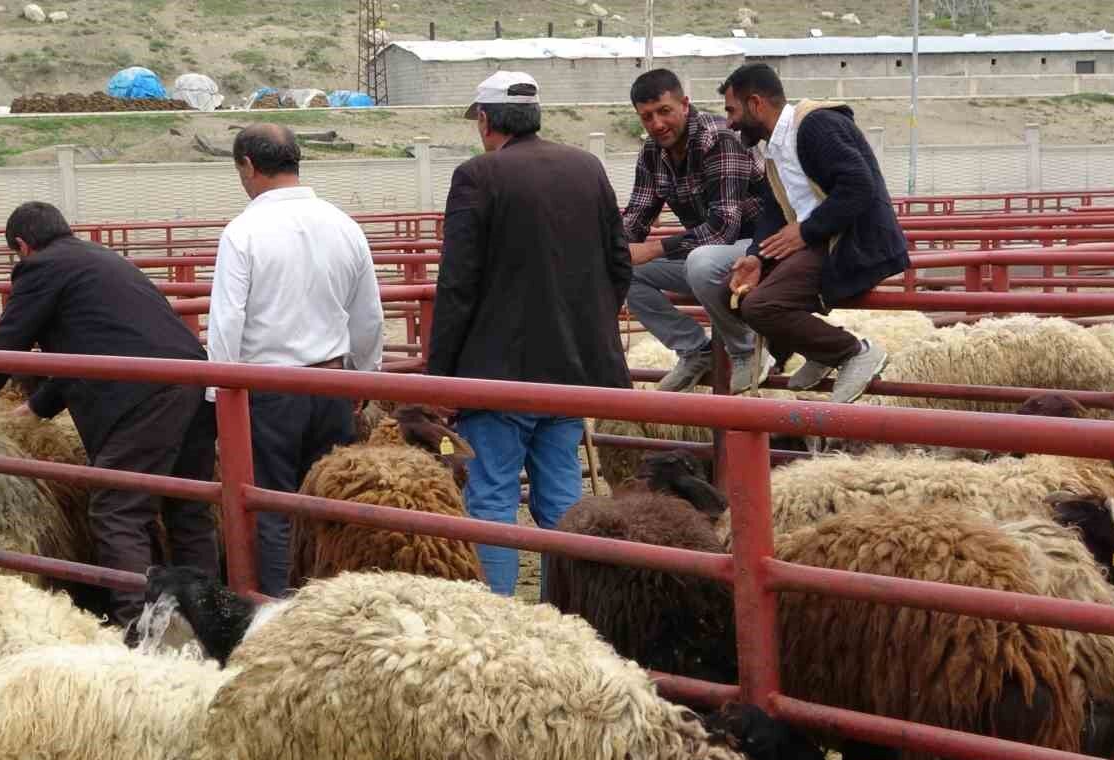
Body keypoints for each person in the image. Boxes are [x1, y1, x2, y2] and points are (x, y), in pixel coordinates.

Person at [0, 201, 218, 629]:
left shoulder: (41, 268)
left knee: (117, 509)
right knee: (187, 509)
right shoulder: (100, 259)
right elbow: (100, 338)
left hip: (144, 395)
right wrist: (40, 405)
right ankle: (209, 620)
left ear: (22, 246)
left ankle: (139, 630)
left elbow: (6, 345)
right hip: (192, 379)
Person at [428, 71, 631, 597]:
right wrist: (589, 332)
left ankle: (496, 621)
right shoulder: (587, 168)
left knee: (492, 499)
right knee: (563, 498)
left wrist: (439, 381)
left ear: (487, 120)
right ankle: (567, 613)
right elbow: (618, 262)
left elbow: (458, 283)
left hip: (497, 377)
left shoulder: (478, 176)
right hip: (568, 374)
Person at [207, 123, 383, 598]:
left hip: (269, 391)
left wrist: (218, 399)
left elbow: (226, 324)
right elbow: (368, 316)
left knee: (272, 507)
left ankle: (276, 611)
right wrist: (363, 382)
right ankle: (334, 603)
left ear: (248, 166)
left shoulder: (243, 232)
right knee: (329, 502)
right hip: (332, 385)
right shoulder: (344, 225)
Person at [686, 63, 905, 404]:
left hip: (850, 241)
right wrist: (756, 257)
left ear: (756, 103)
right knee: (728, 292)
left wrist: (806, 231)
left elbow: (859, 186)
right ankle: (817, 350)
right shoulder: (775, 147)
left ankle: (854, 352)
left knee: (761, 306)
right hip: (817, 239)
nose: (728, 121)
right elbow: (776, 209)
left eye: (732, 110)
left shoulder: (816, 126)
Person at [619, 68, 769, 395]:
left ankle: (746, 349)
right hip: (711, 257)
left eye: (664, 111)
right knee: (622, 270)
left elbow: (723, 228)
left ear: (685, 104)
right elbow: (637, 214)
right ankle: (695, 350)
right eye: (646, 117)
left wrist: (653, 249)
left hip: (757, 251)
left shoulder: (720, 138)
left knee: (701, 261)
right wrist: (612, 251)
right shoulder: (652, 152)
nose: (657, 124)